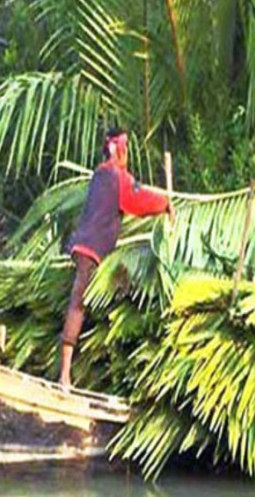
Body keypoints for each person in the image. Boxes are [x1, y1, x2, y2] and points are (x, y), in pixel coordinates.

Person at [58, 128, 174, 386]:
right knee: (78, 303)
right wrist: (165, 204)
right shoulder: (115, 176)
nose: (127, 153)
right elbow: (137, 200)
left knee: (89, 297)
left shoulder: (99, 174)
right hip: (91, 250)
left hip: (82, 246)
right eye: (125, 147)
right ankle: (64, 375)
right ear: (117, 149)